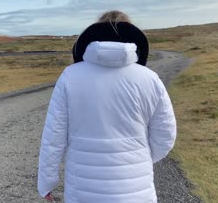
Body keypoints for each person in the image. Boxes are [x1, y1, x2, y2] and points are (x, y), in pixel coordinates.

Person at [37, 11, 176, 202]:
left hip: (83, 189)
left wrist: (46, 182)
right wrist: (138, 157)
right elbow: (165, 135)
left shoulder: (70, 76)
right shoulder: (149, 78)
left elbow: (54, 137)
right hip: (136, 190)